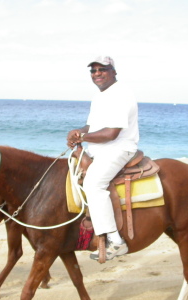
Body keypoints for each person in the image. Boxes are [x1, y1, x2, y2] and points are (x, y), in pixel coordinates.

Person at [66, 56, 139, 261]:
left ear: (113, 72)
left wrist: (82, 137)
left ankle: (116, 241)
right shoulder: (100, 96)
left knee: (93, 184)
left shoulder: (121, 94)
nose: (97, 73)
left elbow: (111, 134)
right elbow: (93, 126)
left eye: (102, 69)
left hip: (118, 149)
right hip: (101, 150)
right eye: (93, 70)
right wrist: (78, 131)